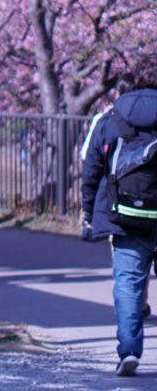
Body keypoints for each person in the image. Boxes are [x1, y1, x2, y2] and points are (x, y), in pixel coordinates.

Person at [81, 55, 157, 377]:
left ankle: (129, 351)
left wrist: (88, 210)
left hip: (125, 215)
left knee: (128, 284)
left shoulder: (110, 118)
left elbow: (91, 169)